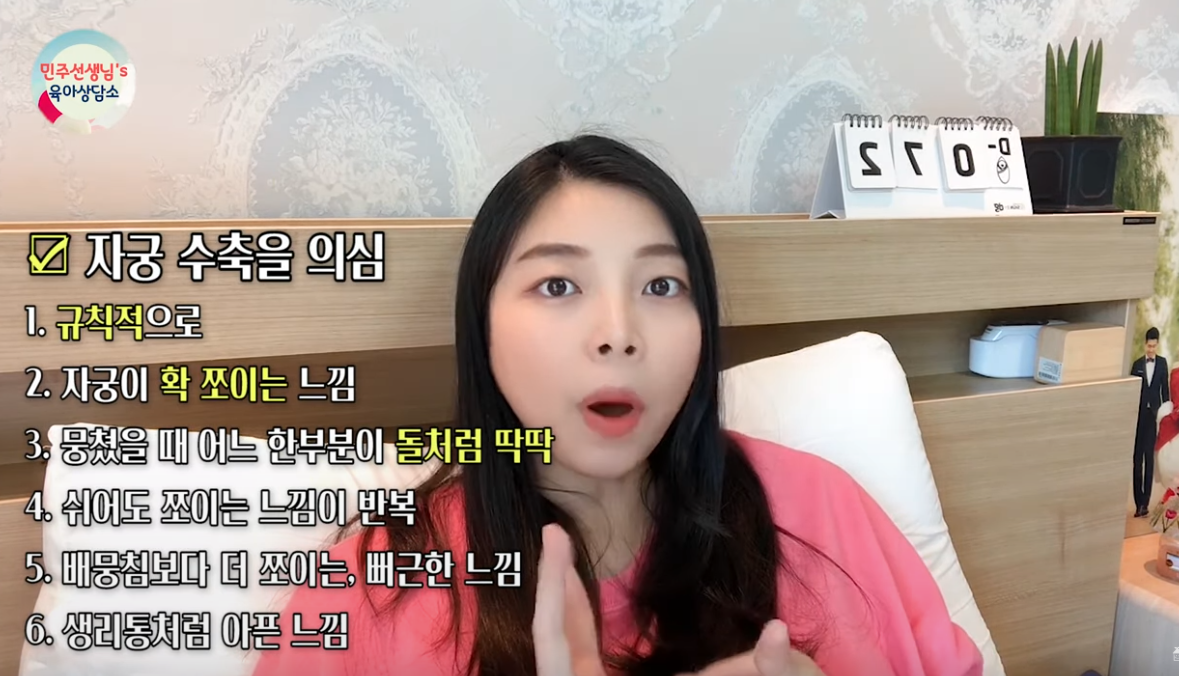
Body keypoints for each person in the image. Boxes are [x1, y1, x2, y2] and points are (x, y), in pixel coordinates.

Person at [251, 135, 983, 676]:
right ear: (482, 329)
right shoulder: (370, 592)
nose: (618, 334)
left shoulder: (822, 509)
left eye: (661, 286)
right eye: (558, 286)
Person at [1131, 327, 1170, 517]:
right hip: (1138, 419)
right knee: (1137, 460)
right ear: (1145, 344)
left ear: (1157, 345)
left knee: (1149, 459)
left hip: (1153, 418)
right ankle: (1138, 502)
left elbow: (1165, 392)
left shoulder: (1162, 364)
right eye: (1149, 346)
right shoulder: (1137, 364)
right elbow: (1131, 392)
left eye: (1154, 346)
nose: (1151, 349)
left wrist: (1164, 417)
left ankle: (1145, 504)